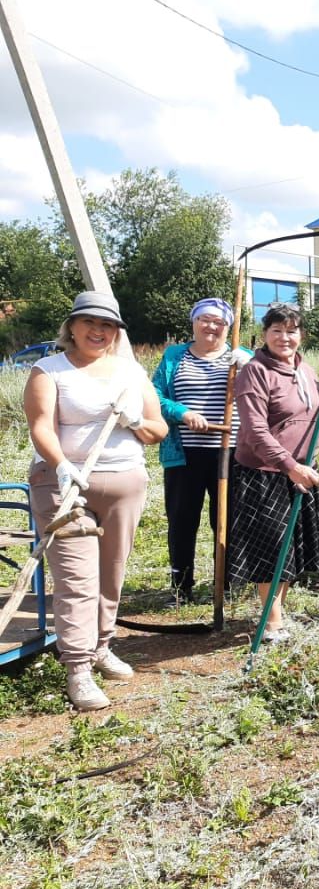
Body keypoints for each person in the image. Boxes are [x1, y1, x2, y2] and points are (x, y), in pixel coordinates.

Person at [24, 292, 168, 711]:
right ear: (71, 326)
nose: (98, 331)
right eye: (89, 322)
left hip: (125, 480)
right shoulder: (48, 370)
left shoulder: (130, 372)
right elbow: (41, 427)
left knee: (111, 572)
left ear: (117, 332)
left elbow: (158, 429)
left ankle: (102, 647)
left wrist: (137, 420)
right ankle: (78, 669)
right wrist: (62, 464)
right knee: (76, 579)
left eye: (107, 325)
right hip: (64, 484)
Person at [227, 303, 319, 642]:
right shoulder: (255, 372)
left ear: (301, 335)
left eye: (291, 331)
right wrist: (289, 466)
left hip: (301, 471)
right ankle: (272, 623)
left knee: (291, 547)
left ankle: (277, 612)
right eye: (276, 330)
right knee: (271, 548)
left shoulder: (306, 370)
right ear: (264, 334)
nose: (284, 337)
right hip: (265, 473)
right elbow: (255, 430)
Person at [152, 297, 252, 605]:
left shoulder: (242, 356)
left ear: (228, 327)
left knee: (228, 520)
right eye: (204, 320)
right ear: (193, 323)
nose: (211, 326)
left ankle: (228, 586)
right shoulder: (174, 357)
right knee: (182, 520)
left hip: (231, 453)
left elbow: (266, 392)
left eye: (219, 322)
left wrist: (250, 368)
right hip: (185, 455)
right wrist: (181, 413)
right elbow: (153, 395)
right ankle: (181, 589)